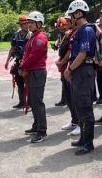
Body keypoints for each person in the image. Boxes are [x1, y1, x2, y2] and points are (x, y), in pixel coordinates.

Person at [63, 0, 97, 155]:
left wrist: (69, 68)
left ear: (78, 13)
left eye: (72, 15)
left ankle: (88, 143)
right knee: (79, 106)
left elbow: (83, 54)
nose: (70, 18)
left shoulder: (87, 30)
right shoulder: (79, 30)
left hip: (84, 71)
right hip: (79, 71)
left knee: (85, 107)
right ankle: (83, 139)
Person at [19, 11, 49, 143]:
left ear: (39, 23)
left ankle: (41, 131)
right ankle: (36, 125)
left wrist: (22, 67)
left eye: (32, 22)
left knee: (37, 102)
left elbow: (34, 57)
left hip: (37, 72)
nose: (29, 24)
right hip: (32, 72)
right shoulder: (33, 37)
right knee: (32, 101)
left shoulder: (40, 38)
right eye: (28, 22)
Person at [5, 16, 29, 109]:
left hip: (28, 62)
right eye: (23, 24)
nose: (26, 25)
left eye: (27, 23)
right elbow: (12, 48)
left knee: (28, 82)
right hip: (19, 61)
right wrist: (7, 61)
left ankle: (29, 103)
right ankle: (21, 102)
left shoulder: (31, 35)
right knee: (19, 82)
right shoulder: (16, 35)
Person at [53, 17, 72, 108]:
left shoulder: (69, 34)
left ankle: (70, 101)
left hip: (67, 61)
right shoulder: (61, 34)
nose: (61, 29)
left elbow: (69, 50)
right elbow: (60, 45)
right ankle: (65, 99)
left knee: (68, 81)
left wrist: (62, 61)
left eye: (63, 27)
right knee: (63, 81)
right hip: (63, 60)